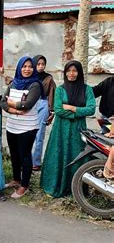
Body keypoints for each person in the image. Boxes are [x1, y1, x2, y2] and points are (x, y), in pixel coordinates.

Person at [40, 60, 96, 198]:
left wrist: (72, 108)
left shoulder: (87, 89)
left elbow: (91, 109)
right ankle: (56, 186)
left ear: (79, 73)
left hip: (78, 130)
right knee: (58, 155)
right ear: (65, 73)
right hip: (61, 131)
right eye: (68, 71)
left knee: (77, 156)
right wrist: (78, 112)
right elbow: (58, 110)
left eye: (74, 71)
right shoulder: (60, 89)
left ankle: (75, 189)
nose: (71, 74)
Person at [1, 56, 43, 199]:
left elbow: (28, 104)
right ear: (19, 68)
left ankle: (24, 185)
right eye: (24, 66)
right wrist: (16, 110)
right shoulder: (14, 83)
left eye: (30, 66)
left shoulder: (35, 85)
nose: (27, 69)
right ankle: (16, 179)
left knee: (25, 155)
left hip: (28, 127)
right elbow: (2, 102)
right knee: (14, 154)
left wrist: (12, 104)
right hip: (12, 125)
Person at [31, 55, 56, 171]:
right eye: (38, 64)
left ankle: (36, 162)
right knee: (27, 133)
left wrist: (52, 110)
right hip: (30, 104)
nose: (41, 66)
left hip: (43, 104)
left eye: (43, 64)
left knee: (39, 134)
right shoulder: (29, 75)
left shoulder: (48, 78)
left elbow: (52, 93)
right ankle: (26, 160)